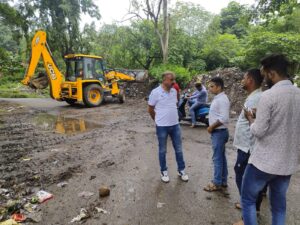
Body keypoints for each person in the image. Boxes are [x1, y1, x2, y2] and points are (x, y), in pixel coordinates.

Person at [242, 54, 300, 225]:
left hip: (264, 163)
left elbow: (258, 131)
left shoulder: (269, 96)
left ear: (272, 73)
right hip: (287, 163)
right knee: (279, 207)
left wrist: (251, 119)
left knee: (248, 200)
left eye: (265, 74)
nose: (264, 78)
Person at [232, 69, 264, 225]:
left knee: (243, 177)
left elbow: (256, 122)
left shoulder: (257, 98)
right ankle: (251, 207)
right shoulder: (255, 96)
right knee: (245, 177)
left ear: (250, 79)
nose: (242, 81)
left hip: (248, 147)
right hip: (246, 146)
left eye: (244, 78)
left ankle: (249, 211)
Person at [148, 71, 189, 183]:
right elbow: (150, 109)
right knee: (162, 150)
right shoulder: (155, 92)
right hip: (162, 127)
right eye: (171, 80)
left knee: (179, 149)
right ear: (164, 80)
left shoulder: (174, 91)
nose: (173, 82)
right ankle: (164, 171)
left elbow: (174, 105)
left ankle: (181, 170)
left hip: (175, 125)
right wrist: (157, 120)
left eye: (174, 79)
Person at [204, 77, 230, 192]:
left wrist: (211, 127)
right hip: (219, 132)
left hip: (219, 132)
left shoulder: (222, 99)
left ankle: (217, 182)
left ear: (219, 87)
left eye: (212, 86)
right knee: (221, 157)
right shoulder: (218, 98)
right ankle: (223, 180)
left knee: (217, 158)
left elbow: (223, 118)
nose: (209, 88)